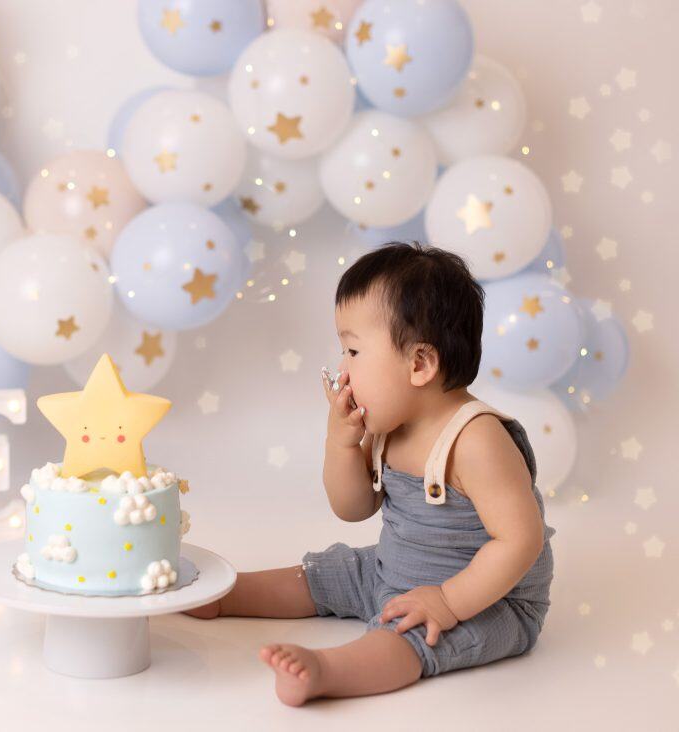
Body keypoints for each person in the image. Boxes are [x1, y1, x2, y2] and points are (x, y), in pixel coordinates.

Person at [183, 241, 556, 706]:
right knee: (325, 573)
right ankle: (230, 592)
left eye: (353, 351)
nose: (342, 369)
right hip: (389, 572)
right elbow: (352, 508)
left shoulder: (477, 440)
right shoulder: (389, 424)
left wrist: (447, 601)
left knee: (411, 638)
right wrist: (340, 442)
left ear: (419, 364)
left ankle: (328, 670)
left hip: (485, 601)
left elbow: (521, 541)